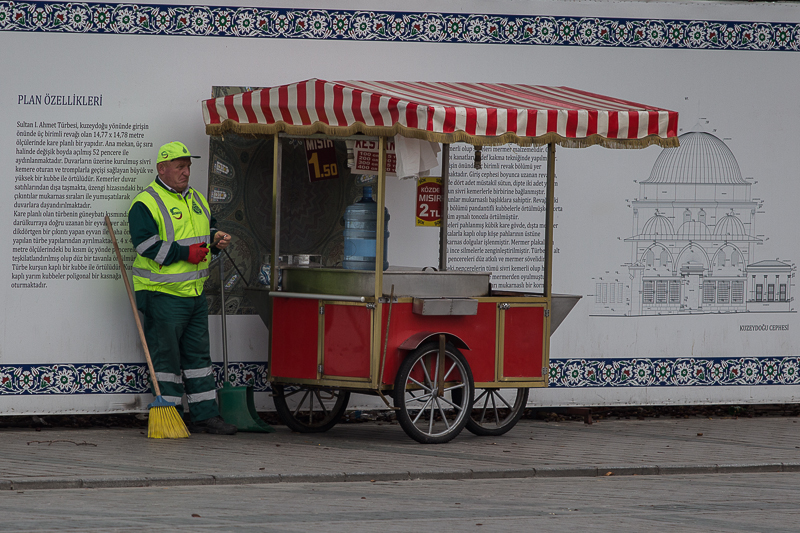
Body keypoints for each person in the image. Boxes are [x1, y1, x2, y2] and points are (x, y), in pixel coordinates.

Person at [128, 141, 237, 435]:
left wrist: (217, 240)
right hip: (162, 296)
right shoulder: (145, 203)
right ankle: (171, 416)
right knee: (167, 360)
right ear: (161, 169)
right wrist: (184, 254)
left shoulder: (198, 199)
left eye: (188, 165)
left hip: (194, 295)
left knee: (198, 358)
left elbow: (204, 232)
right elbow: (145, 244)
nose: (186, 171)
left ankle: (205, 416)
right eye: (179, 166)